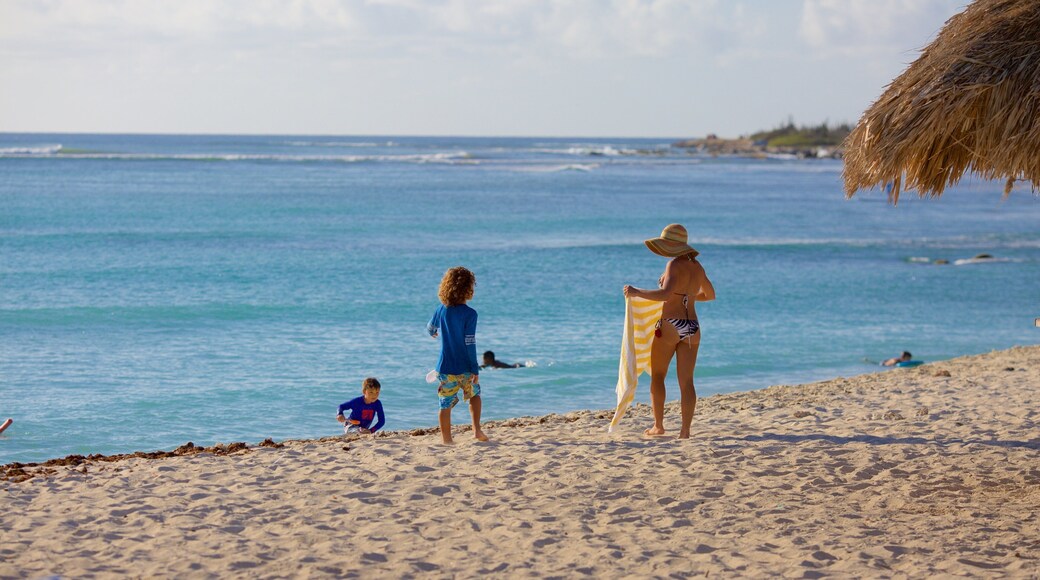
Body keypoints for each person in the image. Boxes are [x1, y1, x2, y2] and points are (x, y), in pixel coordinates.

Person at [623, 224, 715, 439]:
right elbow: (709, 295)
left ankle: (658, 426)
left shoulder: (673, 264)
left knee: (657, 375)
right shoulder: (698, 267)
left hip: (671, 325)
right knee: (687, 381)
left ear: (671, 246)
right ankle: (685, 431)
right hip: (692, 327)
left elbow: (664, 295)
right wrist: (687, 296)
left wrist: (637, 291)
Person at [427, 266, 489, 444]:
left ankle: (447, 439)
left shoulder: (441, 310)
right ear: (468, 289)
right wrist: (474, 368)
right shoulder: (470, 314)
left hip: (445, 368)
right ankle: (477, 431)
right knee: (475, 396)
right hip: (465, 367)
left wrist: (433, 333)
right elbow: (470, 343)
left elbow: (430, 327)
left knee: (445, 404)